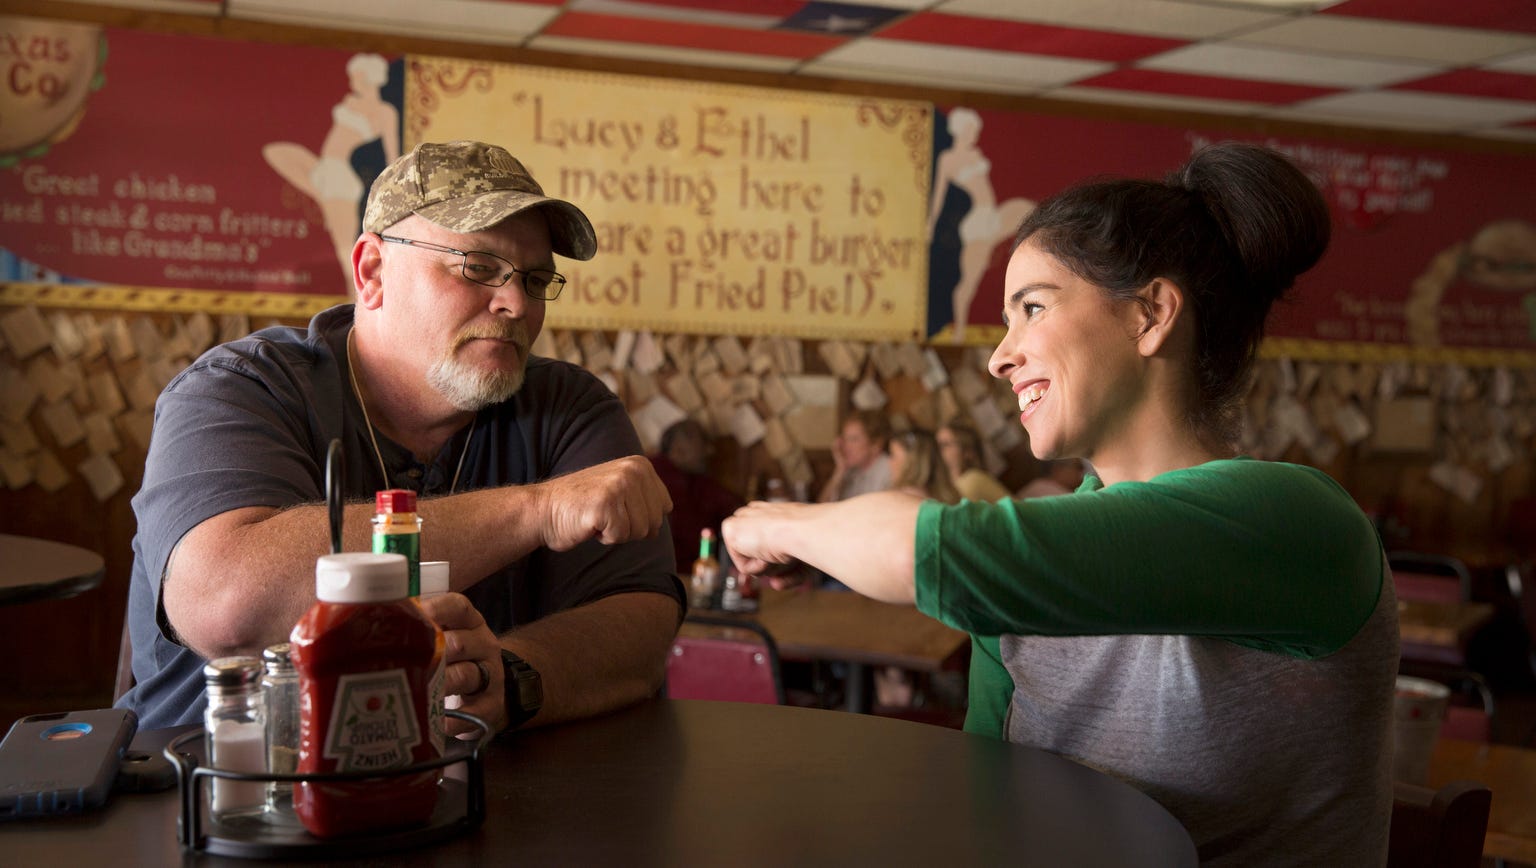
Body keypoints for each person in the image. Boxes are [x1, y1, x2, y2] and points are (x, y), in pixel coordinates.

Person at [725, 143, 1396, 864]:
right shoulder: (1020, 564)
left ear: (1151, 315)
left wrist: (776, 523)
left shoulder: (1300, 521)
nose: (999, 357)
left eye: (1033, 308)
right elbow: (987, 800)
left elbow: (926, 547)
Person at [119, 140, 684, 734]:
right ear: (372, 272)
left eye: (536, 279)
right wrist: (538, 510)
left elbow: (642, 616)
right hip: (221, 774)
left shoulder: (569, 407)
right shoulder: (240, 389)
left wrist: (510, 674)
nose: (517, 303)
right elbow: (226, 604)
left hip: (478, 782)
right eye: (478, 267)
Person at [263, 53, 401, 296]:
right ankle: (321, 197)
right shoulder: (351, 101)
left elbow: (392, 156)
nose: (352, 81)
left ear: (367, 78)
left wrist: (392, 193)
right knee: (277, 152)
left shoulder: (385, 112)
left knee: (346, 254)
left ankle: (357, 307)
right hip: (324, 169)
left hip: (339, 178)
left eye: (356, 77)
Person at [927, 107, 1036, 344]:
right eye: (971, 131)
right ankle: (959, 330)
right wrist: (930, 227)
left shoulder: (974, 153)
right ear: (960, 131)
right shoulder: (948, 160)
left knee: (1030, 210)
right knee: (969, 281)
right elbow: (938, 197)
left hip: (992, 214)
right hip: (978, 223)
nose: (975, 135)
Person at [649, 418, 744, 575]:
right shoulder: (657, 476)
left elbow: (730, 506)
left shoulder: (696, 480)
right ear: (678, 449)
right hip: (673, 575)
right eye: (703, 442)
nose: (710, 451)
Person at [816, 409, 893, 503]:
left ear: (876, 445)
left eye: (854, 439)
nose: (845, 446)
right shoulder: (851, 469)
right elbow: (822, 505)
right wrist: (839, 471)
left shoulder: (890, 470)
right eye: (844, 438)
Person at [935, 421, 1010, 501]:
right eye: (936, 446)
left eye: (945, 445)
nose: (938, 451)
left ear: (967, 452)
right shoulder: (945, 490)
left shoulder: (971, 480)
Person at [888, 429, 959, 504]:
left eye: (892, 455)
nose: (889, 462)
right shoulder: (951, 496)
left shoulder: (898, 499)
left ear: (910, 462)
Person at [1017, 458, 1086, 499]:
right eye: (1079, 467)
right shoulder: (1063, 495)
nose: (1082, 473)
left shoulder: (1036, 484)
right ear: (1058, 468)